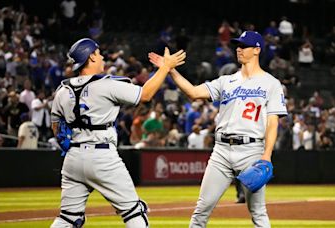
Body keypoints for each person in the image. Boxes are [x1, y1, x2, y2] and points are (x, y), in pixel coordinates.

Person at [149, 31, 287, 228]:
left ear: (257, 50)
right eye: (237, 45)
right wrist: (169, 70)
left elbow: (273, 123)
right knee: (201, 209)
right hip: (221, 151)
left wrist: (267, 155)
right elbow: (194, 92)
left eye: (244, 45)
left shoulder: (271, 84)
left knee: (258, 212)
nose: (239, 49)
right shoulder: (226, 81)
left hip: (251, 151)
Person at [50, 38, 185, 228]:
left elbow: (57, 129)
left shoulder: (62, 90)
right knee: (134, 211)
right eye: (98, 53)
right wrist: (165, 68)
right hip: (102, 155)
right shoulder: (107, 85)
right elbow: (145, 95)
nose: (103, 56)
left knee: (68, 218)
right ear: (91, 57)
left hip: (73, 158)